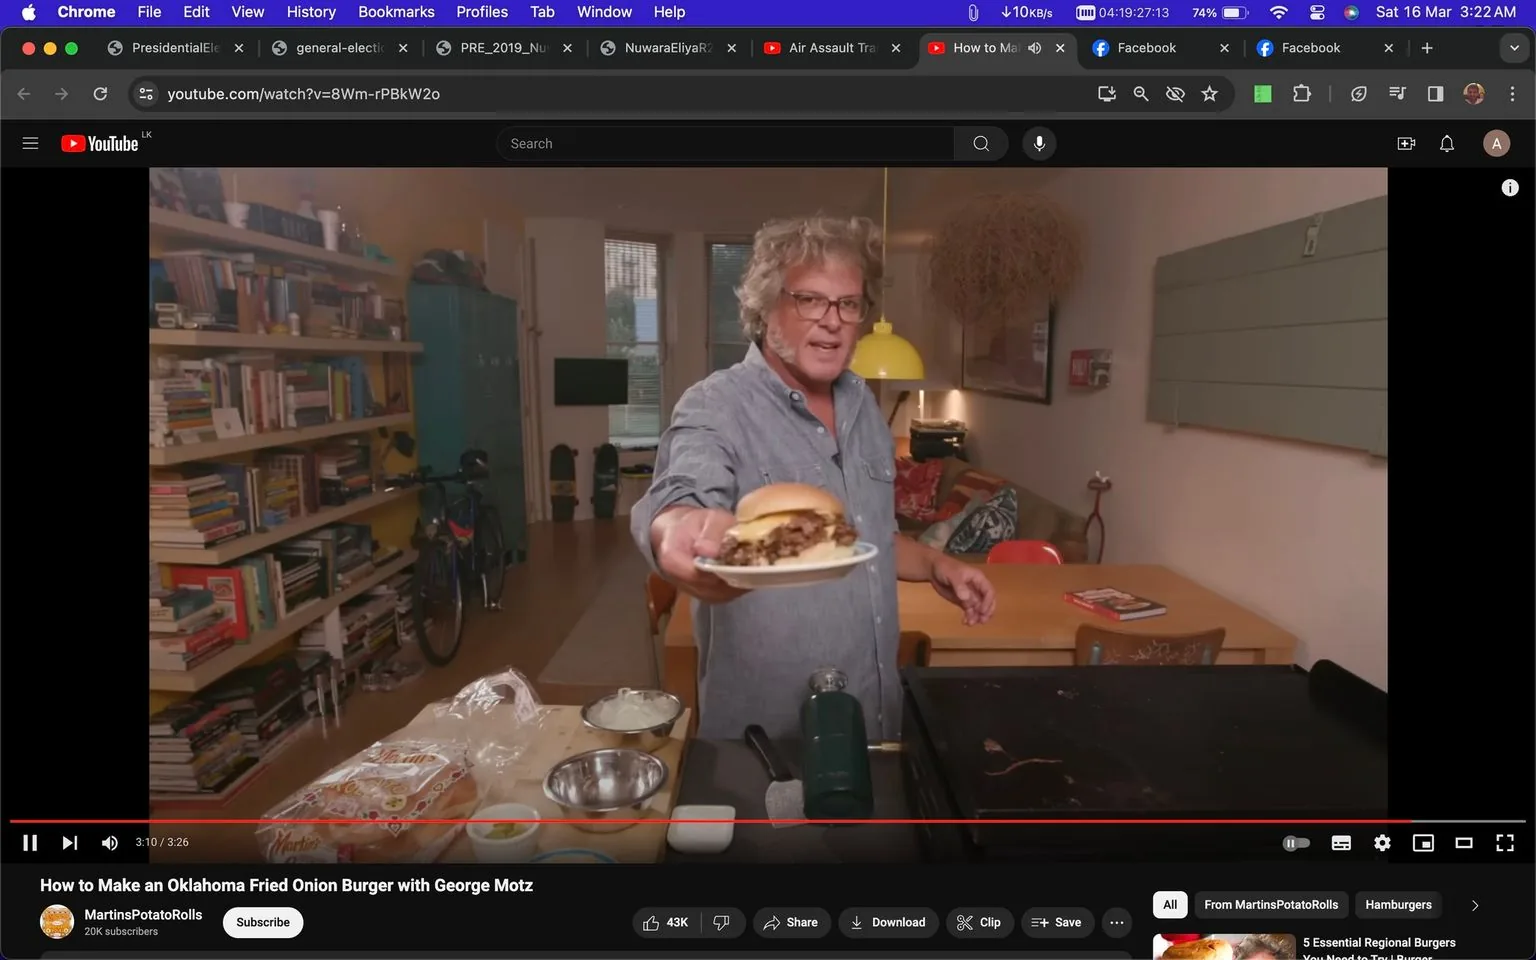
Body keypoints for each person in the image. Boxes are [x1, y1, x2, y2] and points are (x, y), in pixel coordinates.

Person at [631, 214, 997, 741]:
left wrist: (939, 565)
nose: (833, 320)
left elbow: (866, 538)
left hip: (875, 719)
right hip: (765, 740)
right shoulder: (716, 405)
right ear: (764, 307)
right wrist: (674, 527)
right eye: (810, 300)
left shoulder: (864, 408)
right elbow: (678, 494)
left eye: (849, 304)